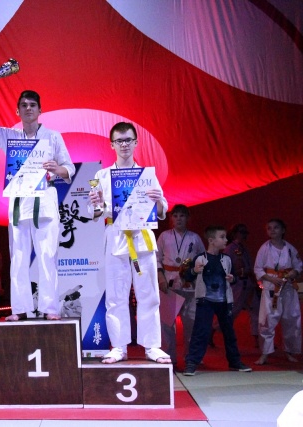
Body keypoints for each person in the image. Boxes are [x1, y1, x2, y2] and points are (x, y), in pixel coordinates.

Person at [0, 79, 75, 321]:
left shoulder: (52, 137)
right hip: (20, 204)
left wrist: (57, 169)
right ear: (17, 111)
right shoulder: (11, 137)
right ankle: (20, 309)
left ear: (40, 110)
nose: (28, 108)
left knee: (47, 257)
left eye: (32, 105)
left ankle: (50, 308)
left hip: (45, 203)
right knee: (18, 258)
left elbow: (69, 168)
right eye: (24, 105)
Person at [87, 122, 171, 364]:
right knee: (116, 296)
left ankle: (152, 346)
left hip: (142, 238)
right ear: (112, 145)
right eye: (119, 141)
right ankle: (119, 347)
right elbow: (95, 214)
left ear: (135, 143)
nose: (124, 145)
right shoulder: (102, 176)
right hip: (115, 238)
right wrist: (96, 203)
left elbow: (162, 210)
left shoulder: (146, 175)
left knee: (149, 295)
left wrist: (158, 201)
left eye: (128, 140)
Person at [182, 225, 253, 375]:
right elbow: (187, 276)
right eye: (222, 237)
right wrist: (194, 270)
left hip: (223, 301)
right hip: (205, 301)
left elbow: (233, 277)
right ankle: (192, 363)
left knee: (229, 332)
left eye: (225, 237)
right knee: (200, 332)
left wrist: (232, 279)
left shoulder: (227, 259)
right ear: (211, 240)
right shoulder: (200, 258)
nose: (226, 240)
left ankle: (235, 362)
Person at [157, 204, 206, 363]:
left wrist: (196, 273)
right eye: (175, 216)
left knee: (191, 322)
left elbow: (202, 259)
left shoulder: (194, 238)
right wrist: (161, 277)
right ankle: (169, 356)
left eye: (182, 216)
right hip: (169, 282)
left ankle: (190, 356)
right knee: (167, 323)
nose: (178, 219)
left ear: (188, 218)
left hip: (189, 283)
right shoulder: (164, 236)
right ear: (171, 218)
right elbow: (156, 259)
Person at [253, 219, 301, 365]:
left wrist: (293, 273)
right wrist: (272, 279)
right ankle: (265, 353)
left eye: (276, 227)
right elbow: (258, 269)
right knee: (268, 320)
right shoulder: (264, 248)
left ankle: (289, 351)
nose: (272, 230)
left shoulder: (290, 248)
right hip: (271, 288)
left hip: (288, 287)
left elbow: (298, 265)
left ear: (283, 230)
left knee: (291, 319)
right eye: (269, 228)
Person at [224, 223, 260, 345]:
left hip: (248, 284)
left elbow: (250, 268)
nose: (244, 235)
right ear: (235, 233)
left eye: (245, 232)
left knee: (256, 310)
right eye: (242, 232)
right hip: (237, 285)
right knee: (233, 311)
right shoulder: (229, 249)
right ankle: (213, 330)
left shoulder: (244, 249)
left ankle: (257, 338)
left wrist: (255, 283)